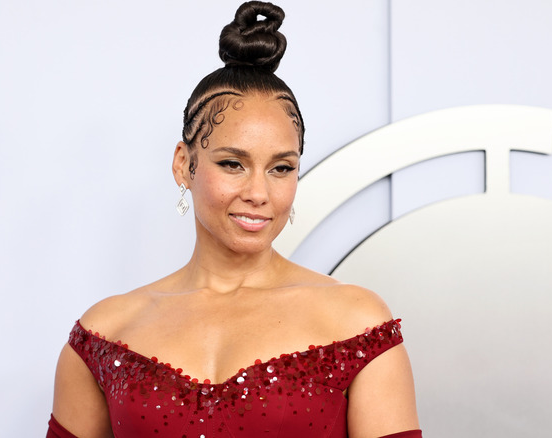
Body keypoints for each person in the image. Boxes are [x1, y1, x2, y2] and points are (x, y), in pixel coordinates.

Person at [48, 2, 421, 437]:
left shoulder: (356, 323)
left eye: (281, 168)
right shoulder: (105, 334)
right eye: (232, 164)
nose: (258, 193)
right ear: (183, 164)